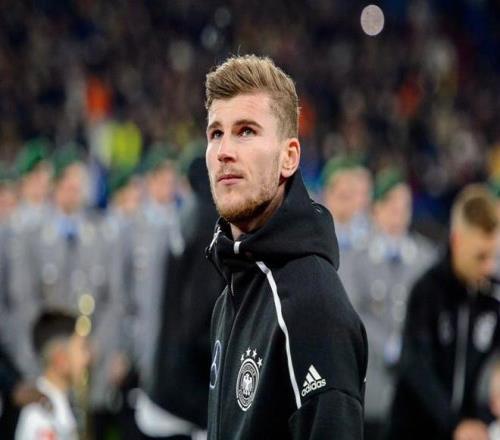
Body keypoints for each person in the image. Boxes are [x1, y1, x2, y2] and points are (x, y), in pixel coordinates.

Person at [204, 55, 367, 439]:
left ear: (289, 157)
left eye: (246, 131)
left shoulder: (312, 305)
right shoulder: (233, 291)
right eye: (216, 133)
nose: (224, 150)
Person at [387, 184, 500, 440]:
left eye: (492, 256)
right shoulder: (427, 291)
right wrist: (454, 424)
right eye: (480, 257)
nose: (488, 267)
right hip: (415, 431)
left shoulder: (492, 297)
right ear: (457, 241)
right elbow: (416, 367)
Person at [347, 167, 436, 439]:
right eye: (392, 203)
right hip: (372, 383)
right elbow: (353, 312)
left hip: (414, 389)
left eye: (404, 205)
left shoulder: (426, 257)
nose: (399, 211)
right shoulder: (357, 258)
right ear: (377, 208)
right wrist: (388, 345)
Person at [15, 309, 91, 440]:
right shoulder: (40, 417)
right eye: (82, 348)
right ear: (60, 359)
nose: (87, 358)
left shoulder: (60, 403)